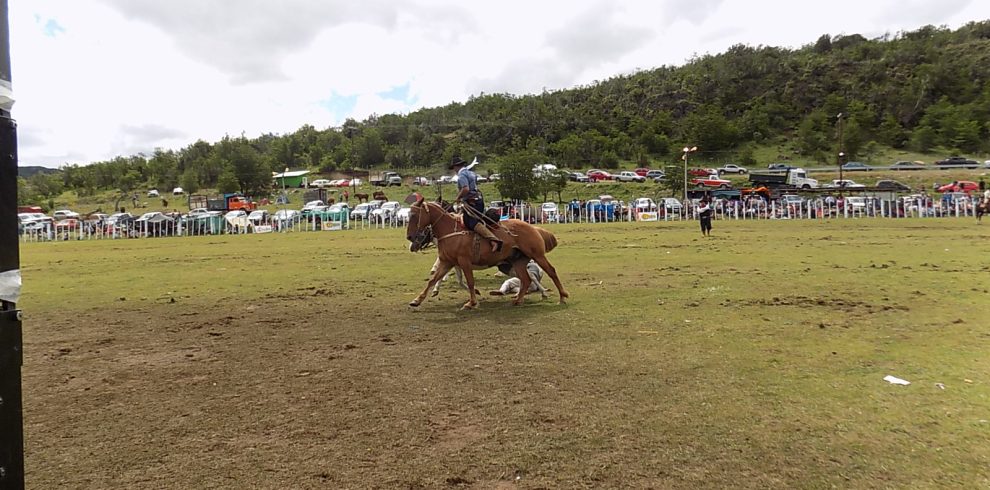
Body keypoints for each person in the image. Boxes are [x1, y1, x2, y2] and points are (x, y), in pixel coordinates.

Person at [451, 156, 502, 252]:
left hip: (472, 202)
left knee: (470, 222)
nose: (454, 170)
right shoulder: (470, 173)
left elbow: (466, 189)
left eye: (454, 168)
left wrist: (458, 197)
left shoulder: (461, 176)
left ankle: (493, 240)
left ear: (456, 167)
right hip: (477, 199)